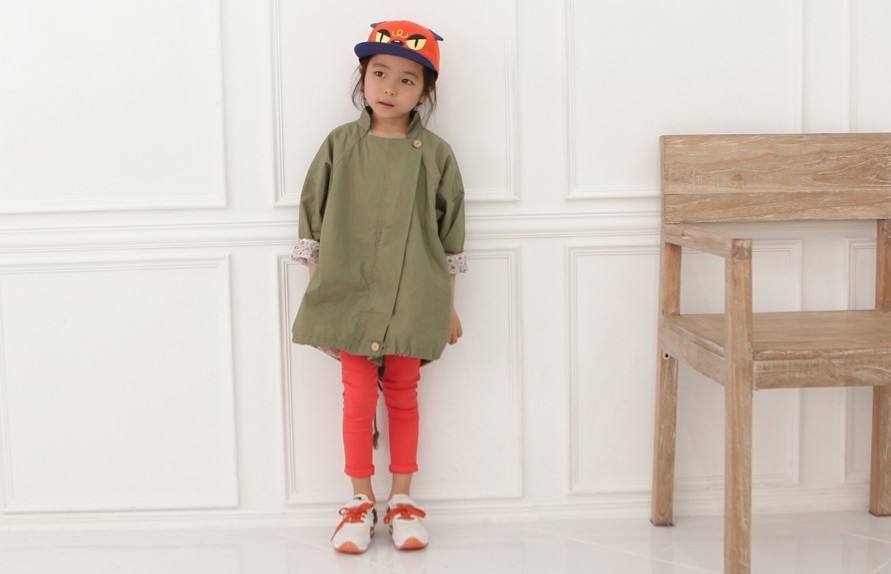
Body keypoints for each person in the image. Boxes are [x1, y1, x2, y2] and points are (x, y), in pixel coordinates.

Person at [289, 19, 467, 554]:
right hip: (347, 294)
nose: (390, 88)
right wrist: (320, 284)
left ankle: (403, 500)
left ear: (425, 92)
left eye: (407, 79)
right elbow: (312, 217)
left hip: (415, 295)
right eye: (379, 73)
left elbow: (451, 233)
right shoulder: (339, 146)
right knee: (358, 398)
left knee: (405, 395)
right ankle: (360, 501)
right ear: (362, 78)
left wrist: (447, 306)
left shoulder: (436, 154)